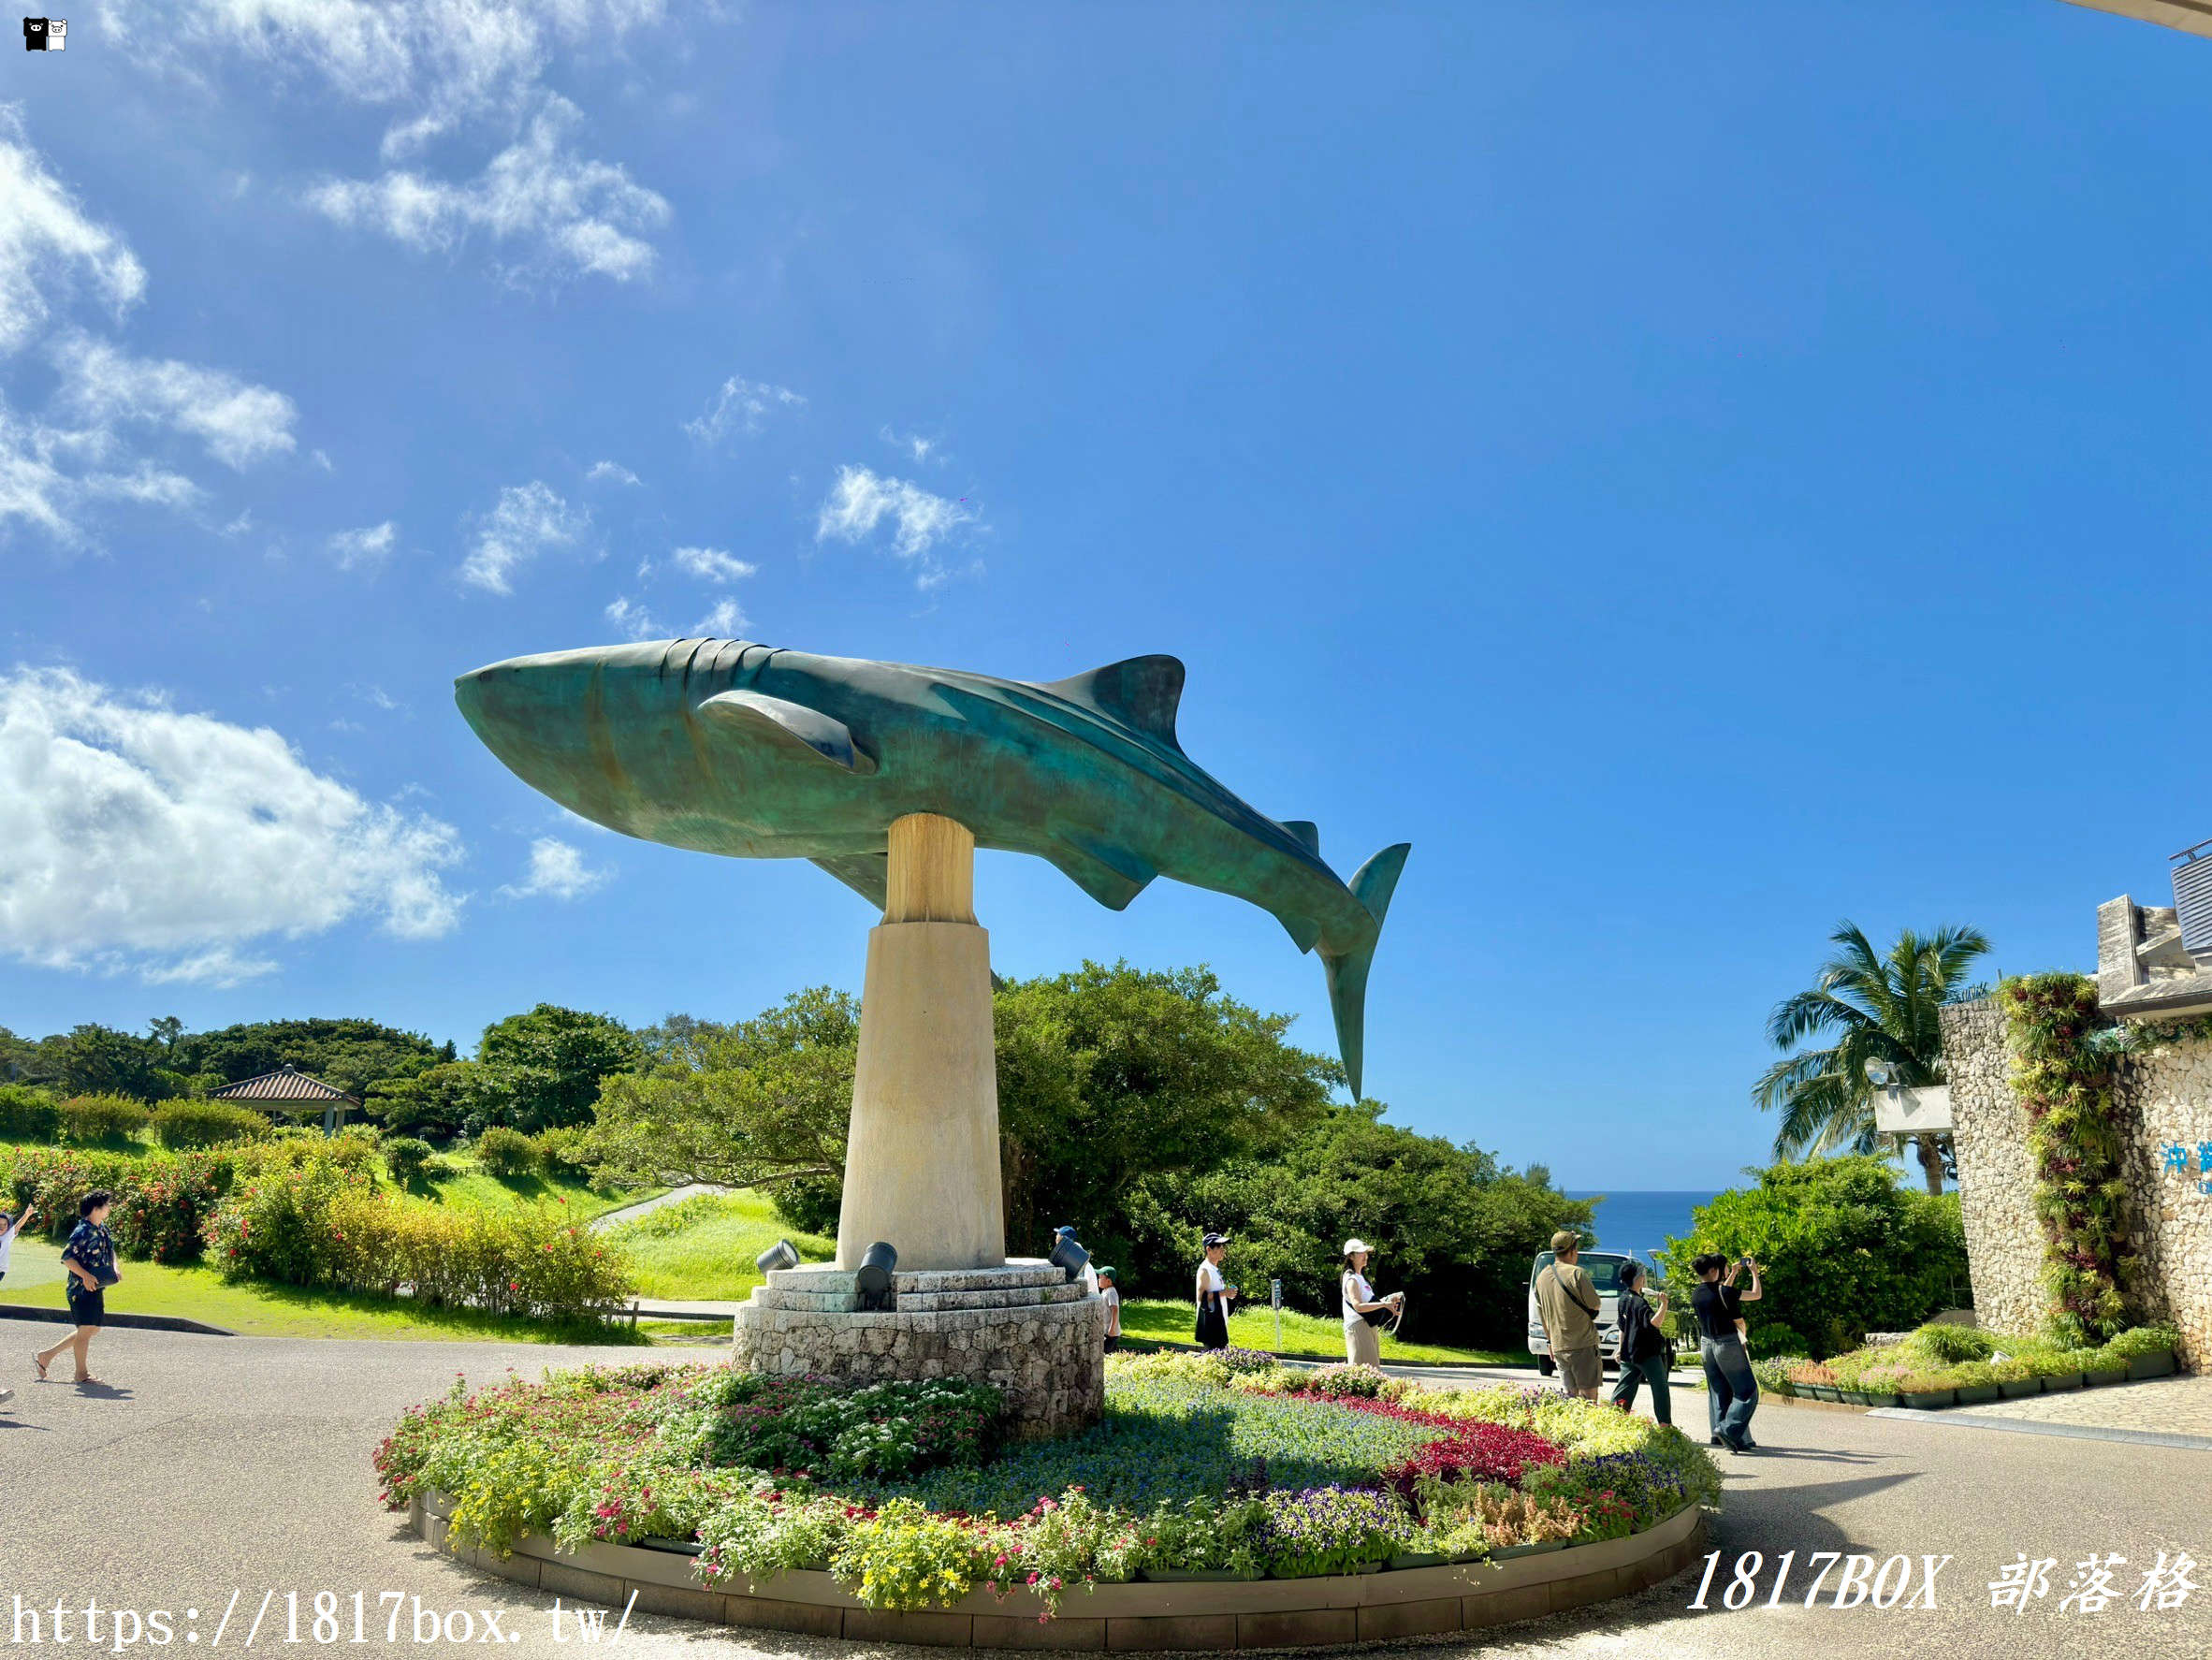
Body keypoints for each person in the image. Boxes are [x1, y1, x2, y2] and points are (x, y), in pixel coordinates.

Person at [36, 1191, 118, 1387]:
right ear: (96, 1208)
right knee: (86, 1329)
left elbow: (111, 1249)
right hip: (80, 1289)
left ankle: (46, 1356)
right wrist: (86, 1276)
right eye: (107, 1205)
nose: (109, 1209)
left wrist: (116, 1268)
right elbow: (67, 1258)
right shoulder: (82, 1231)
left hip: (96, 1287)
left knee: (91, 1329)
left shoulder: (102, 1229)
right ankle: (81, 1374)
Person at [1691, 1251, 1763, 1450]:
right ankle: (1728, 1430)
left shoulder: (1696, 1294)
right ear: (1714, 1270)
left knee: (1718, 1391)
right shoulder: (1725, 1292)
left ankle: (1719, 1433)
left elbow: (1720, 1292)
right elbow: (1756, 1294)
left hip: (1707, 1346)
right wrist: (1755, 1273)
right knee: (1747, 1391)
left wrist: (1732, 1274)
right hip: (1727, 1344)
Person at [1535, 1229, 1604, 1401]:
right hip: (1583, 1345)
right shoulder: (1576, 1273)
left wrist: (1550, 1341)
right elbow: (1595, 1303)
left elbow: (1542, 1315)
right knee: (1589, 1398)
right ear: (1573, 1250)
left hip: (1558, 1345)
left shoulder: (1541, 1278)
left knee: (1570, 1397)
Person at [1608, 1260, 1673, 1426]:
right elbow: (1655, 1322)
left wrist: (1620, 1349)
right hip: (1647, 1354)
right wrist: (1664, 1304)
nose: (1644, 1277)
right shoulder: (1639, 1302)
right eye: (1642, 1275)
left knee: (1625, 1387)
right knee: (1660, 1388)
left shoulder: (1623, 1299)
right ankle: (1665, 1425)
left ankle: (1612, 1421)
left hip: (1629, 1352)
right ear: (1638, 1279)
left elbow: (1622, 1327)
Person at [1340, 1238, 1403, 1366]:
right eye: (1360, 1253)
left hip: (1368, 1326)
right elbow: (1358, 1306)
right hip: (1358, 1327)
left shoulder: (1360, 1277)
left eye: (1366, 1252)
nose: (1365, 1256)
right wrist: (1384, 1304)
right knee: (1364, 1371)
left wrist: (1387, 1301)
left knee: (1372, 1370)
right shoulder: (1351, 1279)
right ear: (1351, 1256)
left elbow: (1368, 1303)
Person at [0, 1201, 34, 1407]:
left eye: (4, 1225)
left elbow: (17, 1227)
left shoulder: (7, 1238)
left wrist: (27, 1215)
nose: (2, 1228)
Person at [1194, 1232, 1236, 1349]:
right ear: (1209, 1249)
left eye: (1223, 1247)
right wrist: (1224, 1293)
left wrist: (1229, 1294)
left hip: (1218, 1322)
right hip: (1210, 1324)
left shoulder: (1214, 1269)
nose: (1223, 1251)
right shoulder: (1205, 1270)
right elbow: (1201, 1297)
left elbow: (1217, 1293)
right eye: (1219, 1247)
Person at [1097, 1265, 1122, 1353]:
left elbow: (1115, 1310)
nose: (1098, 1280)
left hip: (1111, 1332)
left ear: (1108, 1281)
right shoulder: (1105, 1291)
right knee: (1111, 1353)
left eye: (1100, 1278)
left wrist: (1112, 1328)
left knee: (1105, 1352)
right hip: (1106, 1330)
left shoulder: (1111, 1292)